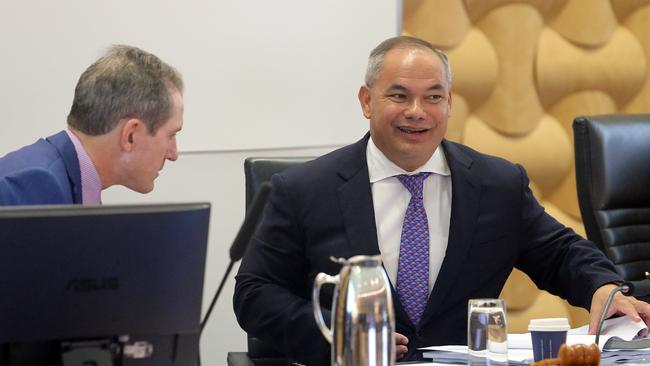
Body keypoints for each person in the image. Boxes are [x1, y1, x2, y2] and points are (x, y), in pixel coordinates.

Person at [233, 36, 650, 364]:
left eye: (433, 97)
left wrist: (603, 286)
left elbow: (559, 252)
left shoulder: (496, 184)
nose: (417, 111)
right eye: (398, 96)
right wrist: (335, 338)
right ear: (366, 101)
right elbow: (255, 293)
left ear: (449, 103)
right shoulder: (305, 189)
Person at [0, 45, 183, 205]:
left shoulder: (61, 179)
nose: (173, 154)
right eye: (171, 135)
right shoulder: (31, 188)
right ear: (130, 135)